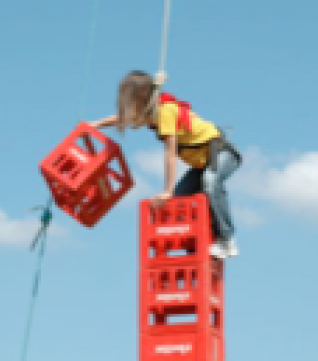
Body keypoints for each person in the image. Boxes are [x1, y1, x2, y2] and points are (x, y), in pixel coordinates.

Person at [90, 70, 242, 259]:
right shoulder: (152, 112)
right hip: (201, 164)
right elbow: (124, 118)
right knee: (180, 199)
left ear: (143, 99)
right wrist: (95, 124)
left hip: (222, 153)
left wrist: (167, 189)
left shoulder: (165, 111)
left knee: (211, 182)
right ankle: (198, 245)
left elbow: (170, 154)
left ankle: (227, 240)